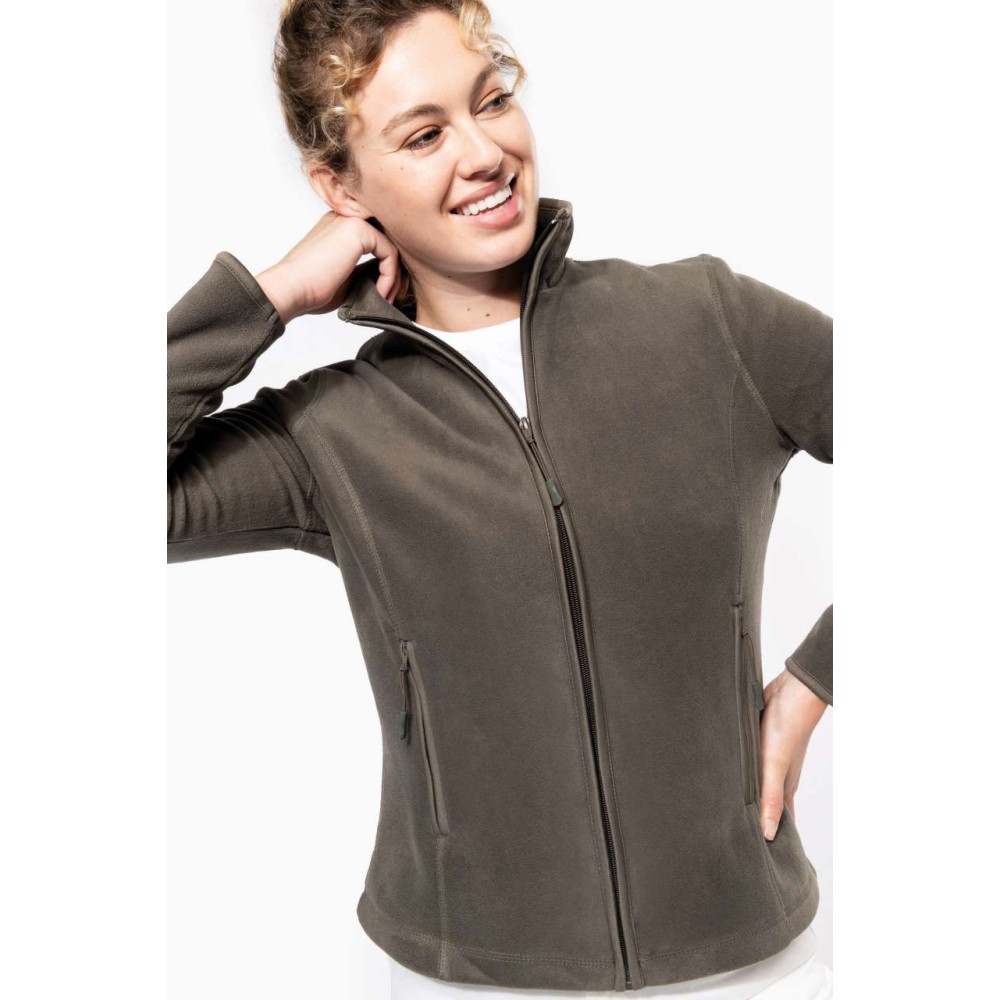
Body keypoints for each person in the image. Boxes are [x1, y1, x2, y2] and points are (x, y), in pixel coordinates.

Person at [168, 1, 833, 997]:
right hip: (463, 974)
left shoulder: (706, 323)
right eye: (423, 135)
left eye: (491, 102)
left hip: (742, 965)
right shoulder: (330, 430)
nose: (484, 155)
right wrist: (268, 296)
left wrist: (818, 678)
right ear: (339, 188)